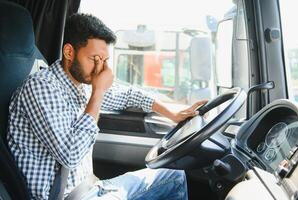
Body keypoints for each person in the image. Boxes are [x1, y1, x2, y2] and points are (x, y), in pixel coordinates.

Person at [7, 13, 208, 200]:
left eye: (104, 60)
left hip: (89, 188)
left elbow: (129, 95)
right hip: (66, 197)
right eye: (94, 59)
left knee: (173, 176)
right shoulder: (41, 87)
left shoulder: (81, 86)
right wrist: (98, 92)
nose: (100, 69)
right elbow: (70, 155)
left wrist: (171, 112)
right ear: (69, 52)